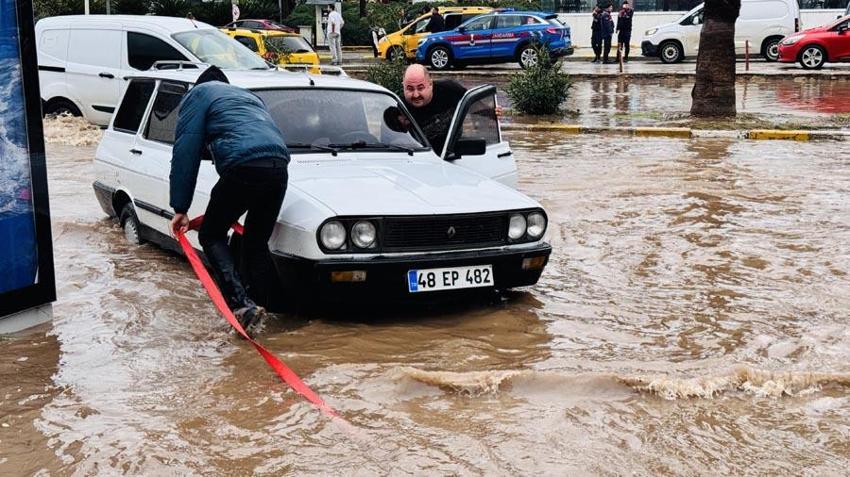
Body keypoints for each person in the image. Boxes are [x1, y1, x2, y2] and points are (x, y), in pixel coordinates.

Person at [169, 66, 290, 336]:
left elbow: (185, 149)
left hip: (243, 167)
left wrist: (180, 207)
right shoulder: (248, 97)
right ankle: (269, 309)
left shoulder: (198, 94)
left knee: (211, 235)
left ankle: (241, 306)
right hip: (279, 166)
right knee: (256, 242)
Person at [400, 64, 466, 154]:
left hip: (454, 155)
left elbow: (476, 106)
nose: (416, 95)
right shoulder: (398, 109)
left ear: (430, 84)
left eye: (420, 88)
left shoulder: (450, 90)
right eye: (410, 89)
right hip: (420, 160)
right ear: (403, 87)